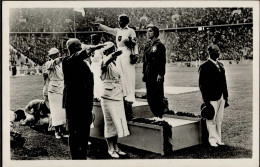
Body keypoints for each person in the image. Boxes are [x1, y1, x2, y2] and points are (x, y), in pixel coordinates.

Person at [62, 38, 105, 160]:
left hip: (85, 105)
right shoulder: (67, 61)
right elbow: (77, 56)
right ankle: (76, 159)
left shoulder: (84, 63)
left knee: (84, 134)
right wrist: (90, 49)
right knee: (75, 134)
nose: (81, 48)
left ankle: (82, 158)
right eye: (79, 46)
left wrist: (90, 108)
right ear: (73, 49)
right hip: (74, 105)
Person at [91, 14, 139, 104]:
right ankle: (123, 95)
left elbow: (135, 44)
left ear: (126, 21)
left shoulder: (130, 31)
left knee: (128, 75)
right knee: (120, 74)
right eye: (118, 20)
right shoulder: (117, 31)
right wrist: (99, 25)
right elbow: (108, 30)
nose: (119, 22)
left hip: (127, 53)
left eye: (120, 20)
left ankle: (130, 96)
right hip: (118, 54)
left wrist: (135, 55)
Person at [100, 42, 130, 158]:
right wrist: (111, 56)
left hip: (117, 95)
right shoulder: (104, 61)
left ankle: (116, 147)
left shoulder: (115, 63)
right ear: (107, 52)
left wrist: (124, 95)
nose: (115, 51)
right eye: (112, 50)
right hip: (108, 96)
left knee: (118, 122)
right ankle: (110, 148)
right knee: (109, 123)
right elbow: (104, 65)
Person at [198, 44, 229, 147]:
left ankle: (218, 139)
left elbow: (224, 82)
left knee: (219, 120)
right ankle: (212, 140)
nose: (218, 52)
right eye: (216, 51)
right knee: (211, 118)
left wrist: (226, 97)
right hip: (211, 97)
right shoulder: (204, 66)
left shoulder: (221, 65)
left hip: (221, 97)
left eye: (219, 50)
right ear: (210, 53)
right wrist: (206, 101)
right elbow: (202, 85)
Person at [142, 25, 166, 119]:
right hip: (148, 72)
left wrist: (161, 74)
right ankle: (155, 114)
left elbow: (162, 61)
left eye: (150, 31)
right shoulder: (147, 45)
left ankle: (159, 115)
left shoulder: (160, 45)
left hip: (156, 73)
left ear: (155, 33)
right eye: (147, 31)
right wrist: (144, 73)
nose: (148, 33)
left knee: (157, 95)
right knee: (150, 96)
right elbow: (144, 61)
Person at [45, 47, 67, 139]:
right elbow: (53, 63)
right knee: (56, 111)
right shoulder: (48, 63)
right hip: (54, 90)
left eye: (58, 54)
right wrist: (62, 58)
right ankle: (57, 132)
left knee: (62, 111)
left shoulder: (60, 65)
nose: (58, 55)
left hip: (62, 88)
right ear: (52, 56)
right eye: (56, 54)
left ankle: (62, 131)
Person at [90, 34, 104, 101]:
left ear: (98, 40)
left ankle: (101, 95)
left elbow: (104, 58)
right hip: (93, 66)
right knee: (93, 81)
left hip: (99, 65)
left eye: (94, 39)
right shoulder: (91, 48)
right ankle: (95, 96)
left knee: (99, 81)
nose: (92, 41)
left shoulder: (101, 48)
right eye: (91, 39)